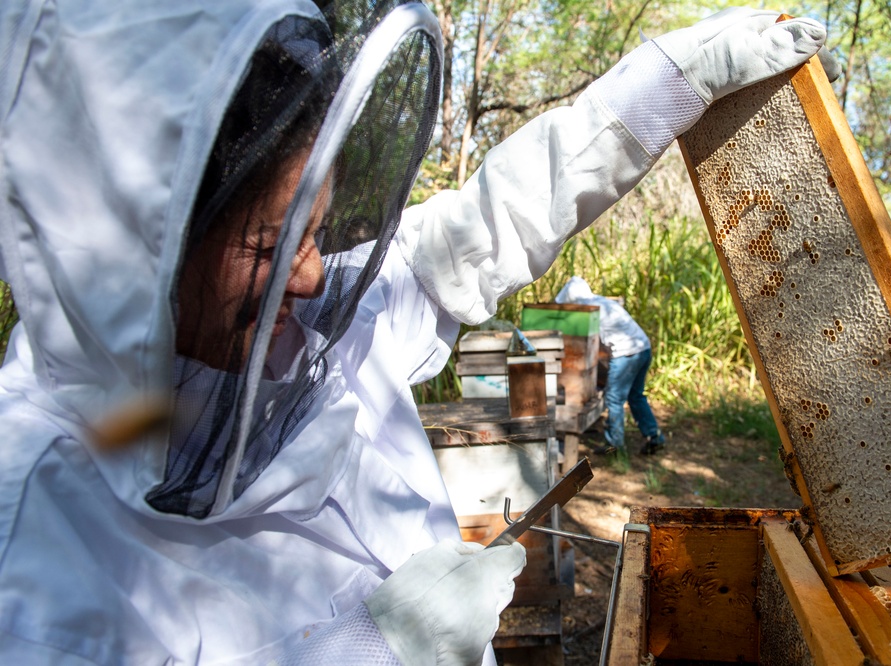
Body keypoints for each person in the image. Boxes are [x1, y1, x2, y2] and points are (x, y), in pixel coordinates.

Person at [0, 0, 835, 663]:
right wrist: (363, 651)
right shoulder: (32, 541)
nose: (314, 276)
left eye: (316, 231)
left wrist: (668, 81)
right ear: (126, 251)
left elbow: (479, 227)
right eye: (267, 244)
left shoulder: (323, 333)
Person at [556, 277, 664, 456]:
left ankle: (615, 448)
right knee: (636, 396)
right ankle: (654, 436)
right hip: (644, 348)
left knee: (614, 399)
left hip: (626, 355)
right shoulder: (603, 301)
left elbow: (585, 343)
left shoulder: (586, 309)